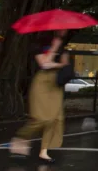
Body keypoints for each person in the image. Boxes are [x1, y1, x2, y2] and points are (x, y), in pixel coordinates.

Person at [10, 31, 69, 163]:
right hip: (42, 82)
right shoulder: (40, 44)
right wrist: (54, 49)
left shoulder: (63, 48)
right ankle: (21, 137)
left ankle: (44, 151)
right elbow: (44, 64)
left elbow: (66, 65)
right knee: (42, 118)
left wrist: (59, 56)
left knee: (55, 118)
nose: (64, 30)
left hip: (56, 83)